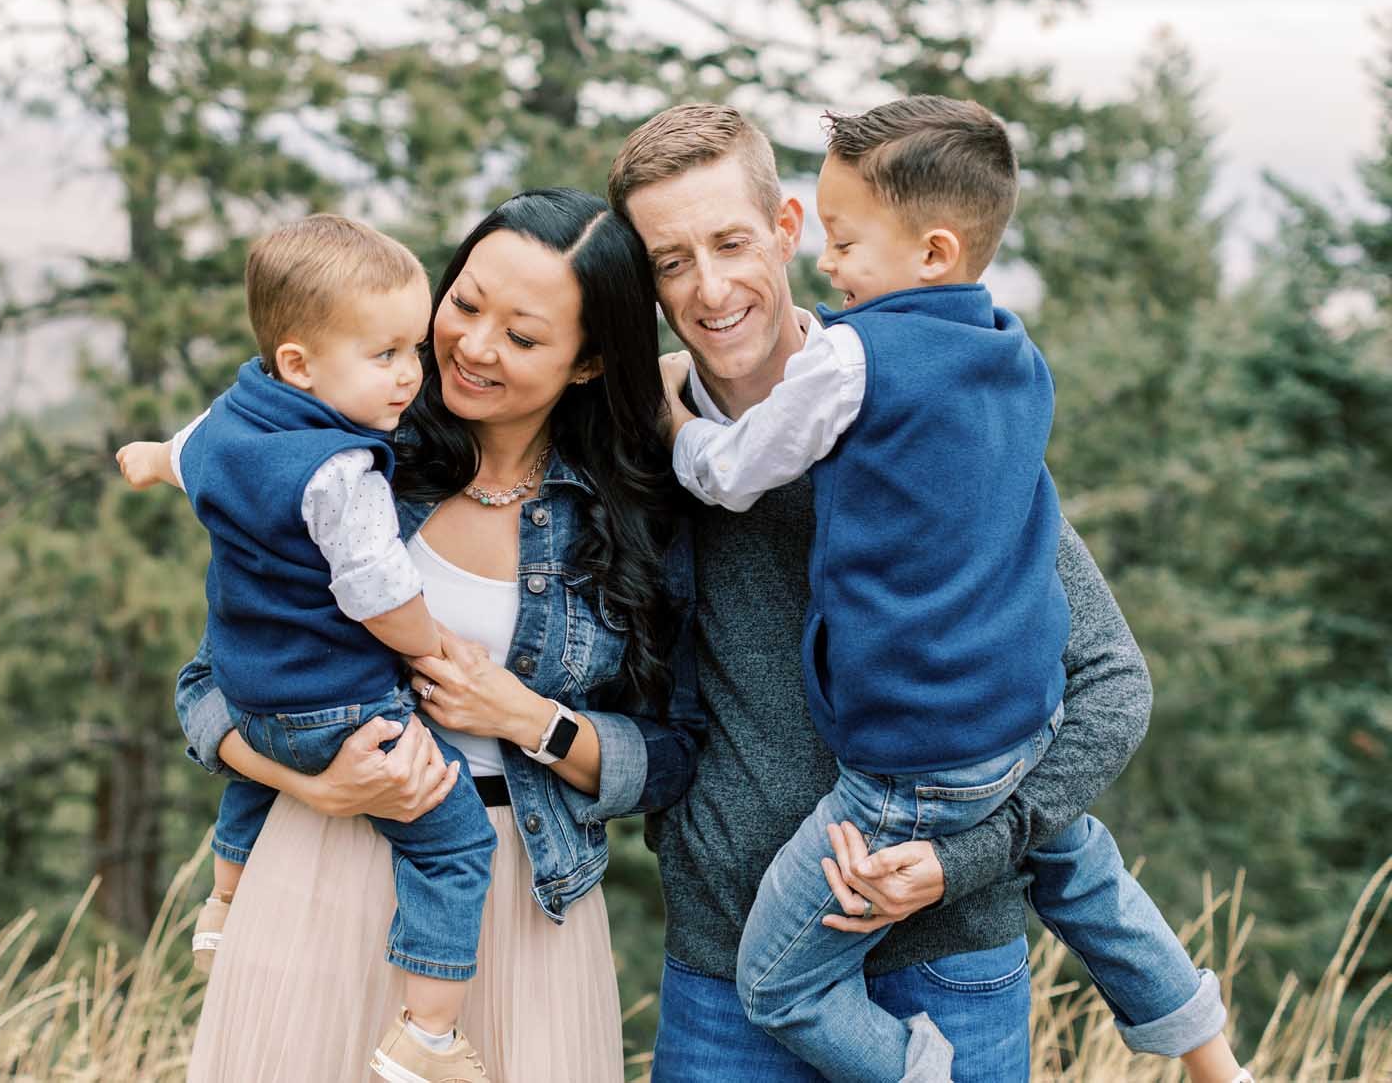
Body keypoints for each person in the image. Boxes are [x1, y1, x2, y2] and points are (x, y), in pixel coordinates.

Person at [604, 103, 1242, 1080]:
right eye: (669, 260)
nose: (708, 284)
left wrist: (964, 858)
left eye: (729, 241)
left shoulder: (929, 421)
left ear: (787, 229)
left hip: (948, 963)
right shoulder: (632, 454)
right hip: (722, 974)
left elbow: (1110, 688)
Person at [174, 188, 703, 1082]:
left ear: (588, 362)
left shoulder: (635, 517)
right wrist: (321, 784)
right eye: (463, 303)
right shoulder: (346, 459)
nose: (472, 344)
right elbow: (209, 684)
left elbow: (675, 754)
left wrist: (530, 718)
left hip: (525, 904)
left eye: (524, 336)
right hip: (316, 868)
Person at [116, 214, 498, 1079]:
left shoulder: (232, 417)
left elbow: (180, 454)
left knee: (252, 780)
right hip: (344, 708)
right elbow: (377, 591)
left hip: (252, 694)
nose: (411, 374)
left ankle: (221, 903)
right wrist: (428, 644)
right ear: (300, 364)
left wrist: (144, 458)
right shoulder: (342, 472)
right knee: (452, 843)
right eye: (386, 354)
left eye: (413, 349)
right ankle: (427, 1033)